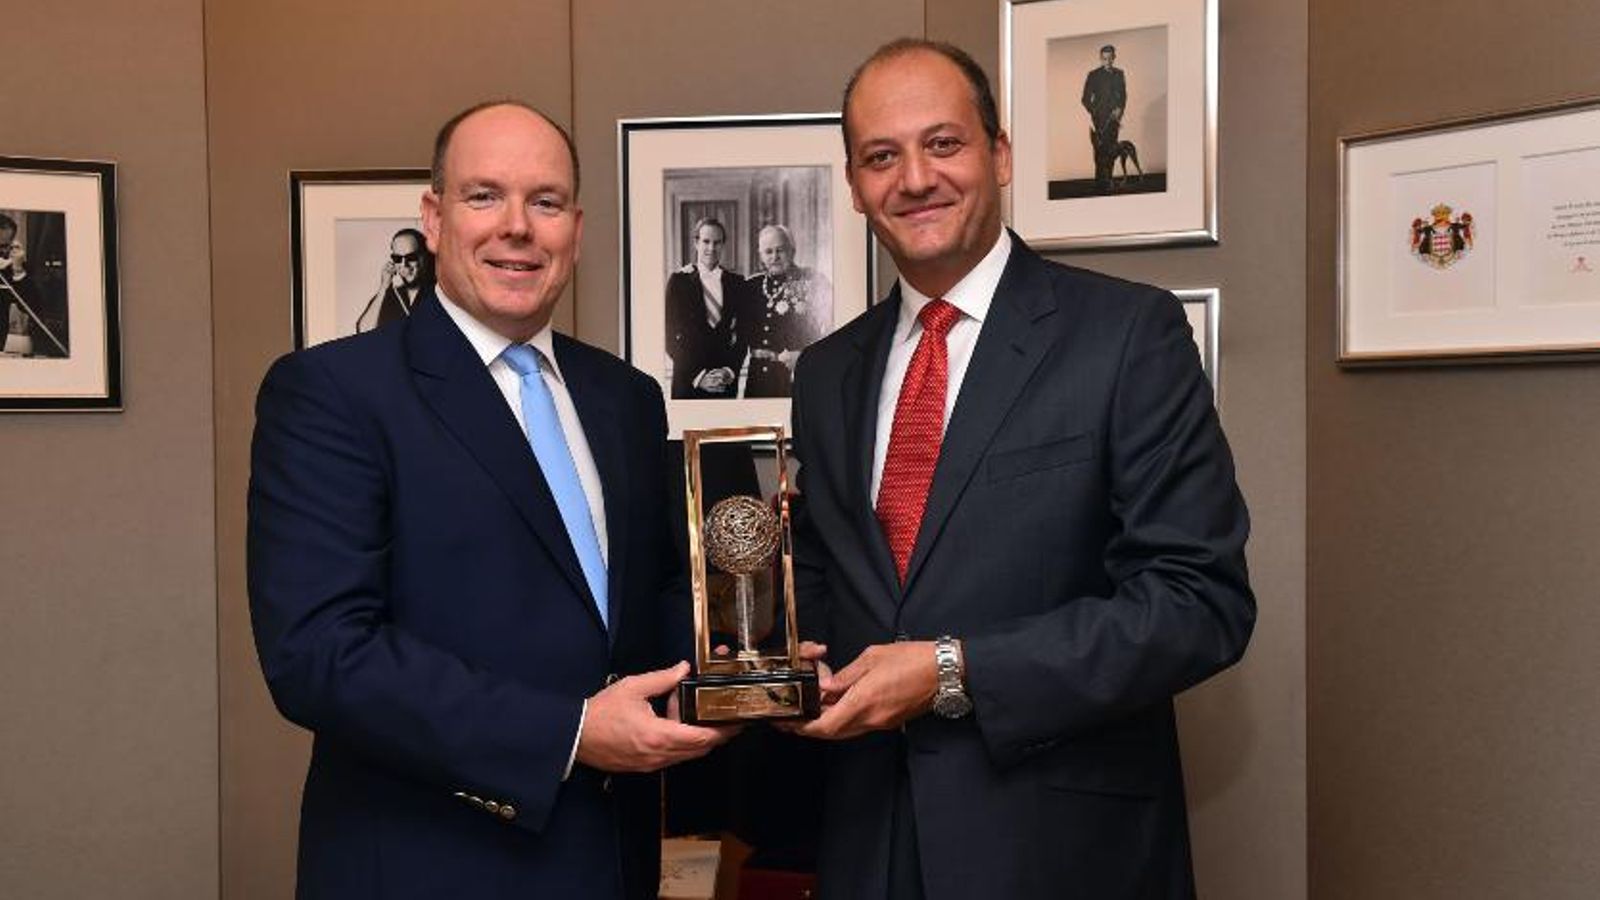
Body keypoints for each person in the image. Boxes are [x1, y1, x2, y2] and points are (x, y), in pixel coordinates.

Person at [786, 40, 1254, 899]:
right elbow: (821, 573)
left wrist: (954, 669)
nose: (915, 178)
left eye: (944, 143)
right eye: (881, 157)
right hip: (868, 841)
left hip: (1061, 850)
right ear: (853, 185)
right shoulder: (825, 373)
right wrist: (783, 664)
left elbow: (1199, 603)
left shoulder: (1125, 336)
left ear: (999, 155)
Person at [248, 100, 734, 900]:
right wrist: (570, 735)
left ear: (575, 230)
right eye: (484, 197)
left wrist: (741, 663)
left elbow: (642, 604)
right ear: (434, 218)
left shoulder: (626, 397)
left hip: (609, 862)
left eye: (544, 202)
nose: (517, 227)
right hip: (427, 865)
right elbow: (320, 655)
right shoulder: (333, 392)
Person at [740, 224, 830, 398]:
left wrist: (805, 358)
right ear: (760, 256)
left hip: (796, 376)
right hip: (759, 380)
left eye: (780, 250)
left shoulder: (813, 281)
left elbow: (834, 329)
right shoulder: (751, 286)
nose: (775, 257)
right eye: (768, 252)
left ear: (792, 251)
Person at [665, 217, 745, 398]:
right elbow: (669, 336)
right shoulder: (678, 282)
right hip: (688, 383)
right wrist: (699, 377)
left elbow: (743, 335)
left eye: (717, 242)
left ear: (724, 245)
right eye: (706, 241)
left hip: (724, 384)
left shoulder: (737, 283)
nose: (711, 248)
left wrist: (728, 371)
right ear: (696, 243)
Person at [0, 213, 65, 358]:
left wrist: (18, 270)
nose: (2, 252)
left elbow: (32, 308)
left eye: (4, 246)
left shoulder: (11, 269)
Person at [353, 227, 434, 332]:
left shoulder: (440, 293)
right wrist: (383, 288)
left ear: (424, 257)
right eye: (398, 259)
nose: (404, 265)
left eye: (411, 257)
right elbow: (363, 331)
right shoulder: (389, 295)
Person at [1081, 43, 1127, 193]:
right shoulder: (1093, 75)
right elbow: (1085, 99)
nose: (1107, 61)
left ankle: (1109, 181)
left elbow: (1123, 95)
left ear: (1114, 58)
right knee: (1100, 151)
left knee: (1111, 150)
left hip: (1114, 119)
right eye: (1104, 58)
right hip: (1099, 119)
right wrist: (1095, 112)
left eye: (1109, 58)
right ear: (1100, 59)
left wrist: (1119, 109)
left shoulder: (1119, 73)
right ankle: (1100, 182)